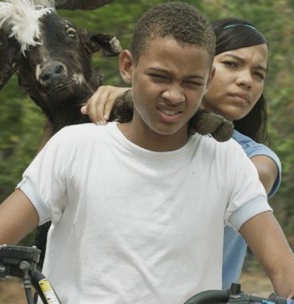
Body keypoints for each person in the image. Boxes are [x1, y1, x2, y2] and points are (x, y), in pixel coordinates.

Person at [0, 2, 294, 304]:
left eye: (191, 82)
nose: (173, 95)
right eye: (159, 77)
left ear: (207, 81)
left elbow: (283, 267)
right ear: (127, 67)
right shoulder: (74, 147)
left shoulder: (226, 162)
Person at [81, 18, 280, 289]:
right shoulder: (120, 139)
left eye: (259, 74)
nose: (246, 81)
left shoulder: (253, 157)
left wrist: (138, 99)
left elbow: (250, 178)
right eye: (232, 64)